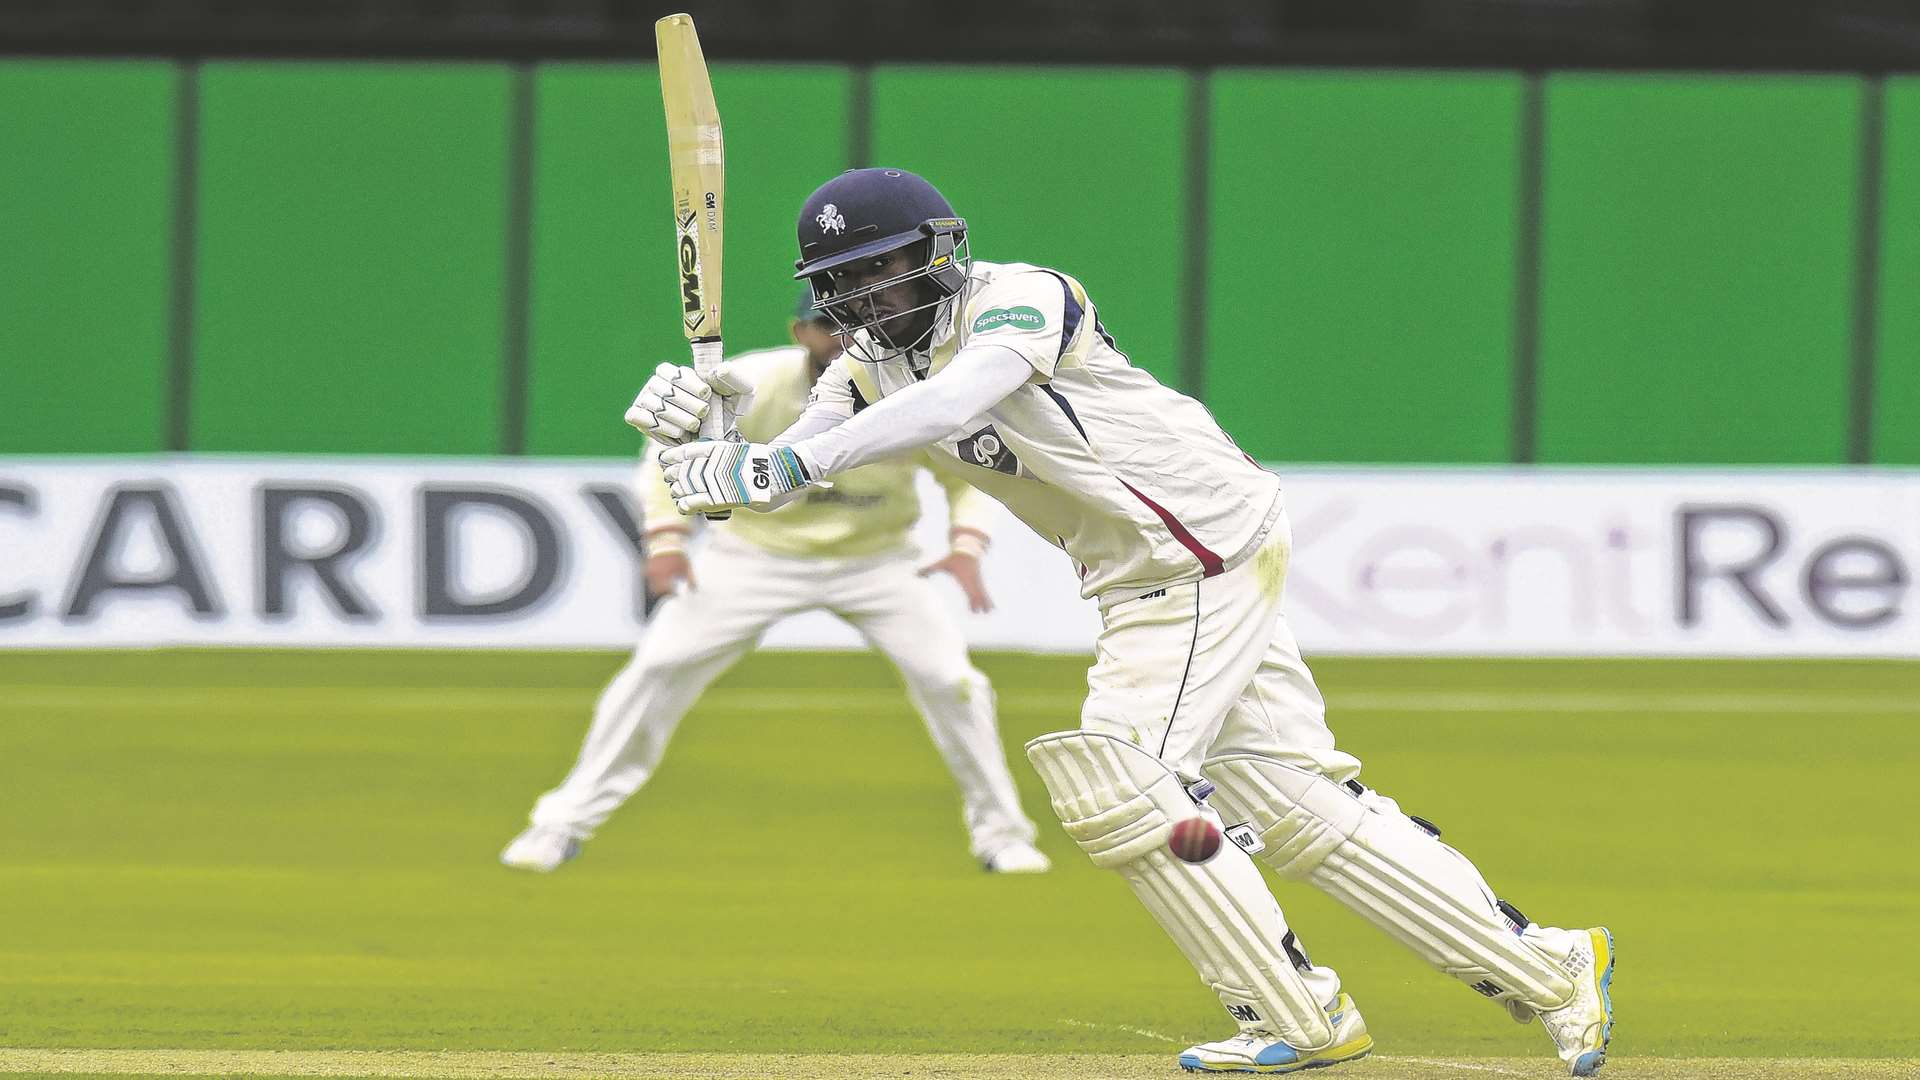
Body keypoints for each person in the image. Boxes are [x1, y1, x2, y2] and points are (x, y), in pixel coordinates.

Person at [626, 168, 1615, 1077]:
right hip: (1146, 571)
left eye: (890, 265)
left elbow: (955, 401)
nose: (877, 291)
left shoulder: (1024, 296)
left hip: (1193, 551)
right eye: (854, 280)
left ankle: (1297, 1011)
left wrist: (787, 463)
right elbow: (772, 478)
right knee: (1297, 808)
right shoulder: (863, 367)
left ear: (938, 250)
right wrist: (715, 439)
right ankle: (1552, 968)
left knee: (1118, 784)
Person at [502, 293, 1048, 876]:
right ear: (800, 332)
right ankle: (560, 825)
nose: (844, 336)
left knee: (953, 682)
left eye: (856, 323)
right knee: (658, 668)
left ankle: (1003, 836)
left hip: (878, 562)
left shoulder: (911, 389)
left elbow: (967, 475)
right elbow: (673, 458)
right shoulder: (753, 383)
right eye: (827, 325)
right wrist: (666, 540)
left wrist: (966, 545)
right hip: (754, 556)